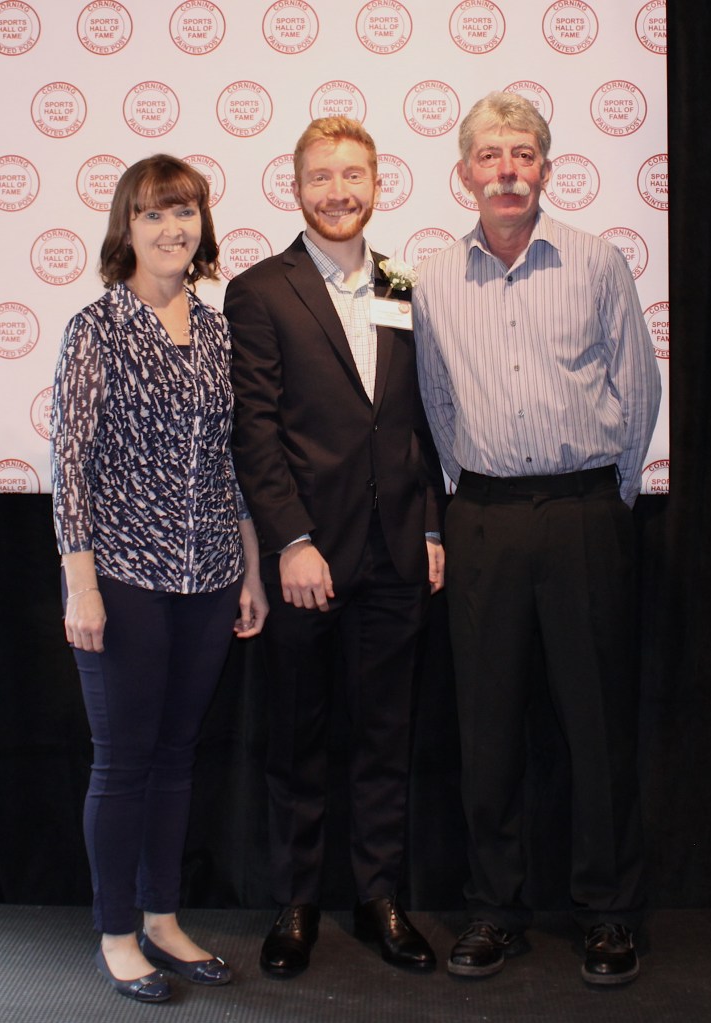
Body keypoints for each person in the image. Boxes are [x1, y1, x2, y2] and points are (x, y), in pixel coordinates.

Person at [413, 91, 661, 986]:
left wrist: (604, 499)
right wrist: (465, 500)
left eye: (522, 154)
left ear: (545, 170)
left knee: (595, 722)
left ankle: (606, 910)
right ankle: (494, 908)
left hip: (582, 512)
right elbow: (435, 403)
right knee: (485, 726)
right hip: (482, 516)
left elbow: (637, 389)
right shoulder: (431, 281)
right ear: (464, 173)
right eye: (490, 155)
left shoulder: (596, 261)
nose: (507, 170)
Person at [224, 117, 446, 976]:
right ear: (295, 188)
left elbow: (420, 418)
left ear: (377, 183)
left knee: (386, 737)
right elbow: (255, 428)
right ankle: (297, 902)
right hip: (305, 559)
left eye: (352, 175)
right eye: (320, 177)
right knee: (298, 737)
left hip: (395, 555)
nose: (338, 191)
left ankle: (380, 897)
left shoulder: (403, 283)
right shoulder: (258, 290)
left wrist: (429, 524)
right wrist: (290, 539)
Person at [50, 154, 267, 1004]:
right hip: (122, 576)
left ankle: (164, 919)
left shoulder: (216, 330)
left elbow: (229, 461)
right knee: (123, 762)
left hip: (209, 574)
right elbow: (70, 464)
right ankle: (116, 934)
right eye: (153, 214)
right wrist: (81, 583)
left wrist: (248, 566)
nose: (172, 228)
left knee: (177, 757)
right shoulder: (96, 327)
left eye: (185, 212)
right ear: (126, 229)